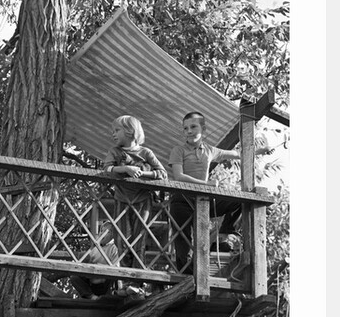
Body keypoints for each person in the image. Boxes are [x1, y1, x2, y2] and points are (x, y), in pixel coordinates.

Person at [167, 111, 269, 273]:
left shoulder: (210, 150)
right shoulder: (178, 150)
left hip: (203, 199)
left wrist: (261, 151)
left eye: (193, 127)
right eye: (185, 128)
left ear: (204, 129)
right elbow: (179, 176)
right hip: (182, 199)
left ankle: (225, 232)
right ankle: (185, 273)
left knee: (239, 201)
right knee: (183, 239)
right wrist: (206, 184)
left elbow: (238, 154)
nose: (189, 131)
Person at [103, 115, 167, 298]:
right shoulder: (115, 152)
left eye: (117, 130)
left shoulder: (145, 153)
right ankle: (125, 280)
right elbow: (107, 169)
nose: (113, 134)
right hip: (122, 199)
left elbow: (162, 174)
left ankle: (137, 283)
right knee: (121, 239)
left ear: (130, 131)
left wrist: (143, 174)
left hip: (142, 201)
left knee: (139, 240)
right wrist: (125, 169)